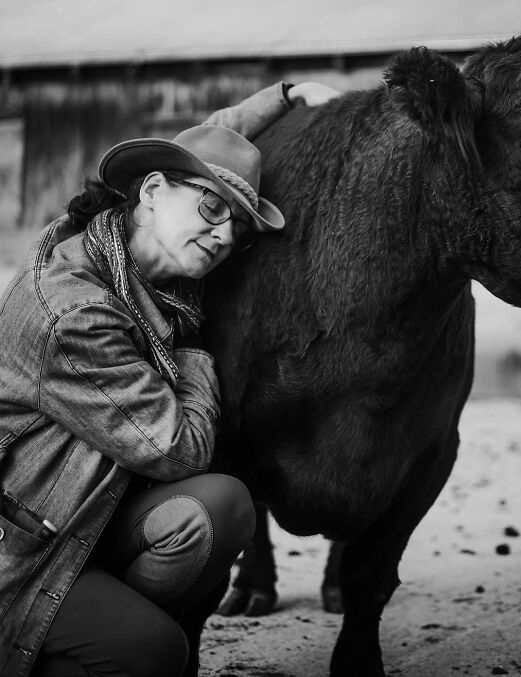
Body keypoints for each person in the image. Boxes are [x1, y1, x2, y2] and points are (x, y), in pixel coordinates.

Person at [0, 81, 339, 677]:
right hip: (25, 541)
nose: (225, 235)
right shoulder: (73, 309)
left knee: (223, 506)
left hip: (88, 505)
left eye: (238, 225)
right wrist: (196, 361)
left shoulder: (137, 254)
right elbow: (176, 451)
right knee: (155, 651)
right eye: (213, 211)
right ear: (151, 192)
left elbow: (211, 141)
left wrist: (286, 95)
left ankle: (113, 626)